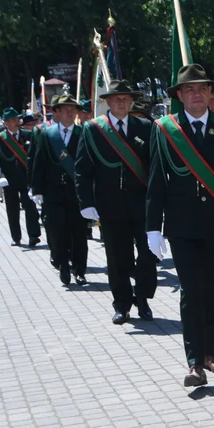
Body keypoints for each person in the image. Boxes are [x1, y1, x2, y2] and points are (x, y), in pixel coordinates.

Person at [146, 64, 214, 386]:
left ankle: (211, 352)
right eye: (189, 90)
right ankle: (194, 361)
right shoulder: (165, 129)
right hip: (182, 226)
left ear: (210, 94)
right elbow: (156, 180)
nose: (196, 95)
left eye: (202, 89)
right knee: (191, 291)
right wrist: (152, 227)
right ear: (179, 96)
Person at [76, 80, 157, 323]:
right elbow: (82, 169)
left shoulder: (145, 126)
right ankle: (121, 304)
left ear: (132, 101)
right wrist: (86, 202)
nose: (121, 102)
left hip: (141, 204)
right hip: (110, 205)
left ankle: (142, 299)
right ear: (108, 102)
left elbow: (154, 166)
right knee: (117, 257)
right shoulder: (93, 129)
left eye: (126, 98)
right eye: (116, 98)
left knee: (147, 255)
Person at [31, 94, 89, 287]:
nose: (70, 112)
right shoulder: (47, 135)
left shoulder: (84, 133)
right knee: (57, 232)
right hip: (53, 193)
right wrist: (37, 189)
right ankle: (63, 265)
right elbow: (39, 162)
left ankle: (80, 270)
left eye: (73, 109)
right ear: (56, 112)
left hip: (77, 193)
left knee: (79, 233)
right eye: (65, 108)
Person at [0, 108, 42, 247]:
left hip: (26, 177)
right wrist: (0, 176)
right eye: (13, 120)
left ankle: (34, 236)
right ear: (6, 122)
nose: (17, 122)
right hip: (9, 179)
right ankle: (16, 237)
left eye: (17, 119)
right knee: (12, 208)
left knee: (30, 206)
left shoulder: (28, 135)